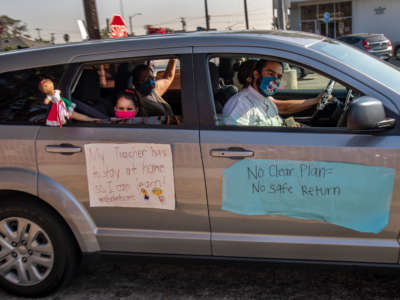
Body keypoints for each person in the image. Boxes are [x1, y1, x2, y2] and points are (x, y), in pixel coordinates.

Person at [222, 59, 329, 127]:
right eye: (270, 73)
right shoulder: (240, 103)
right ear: (256, 74)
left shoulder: (266, 100)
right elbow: (235, 141)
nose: (274, 80)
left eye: (278, 77)